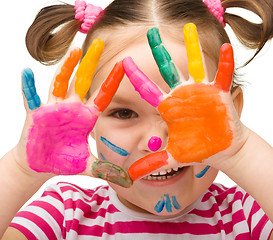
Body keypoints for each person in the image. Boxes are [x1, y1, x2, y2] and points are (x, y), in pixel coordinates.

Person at [1, 0, 273, 239]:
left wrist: (242, 152)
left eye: (191, 114)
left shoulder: (249, 217)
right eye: (124, 113)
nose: (154, 141)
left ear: (232, 113)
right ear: (88, 124)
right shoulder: (62, 216)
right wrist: (20, 170)